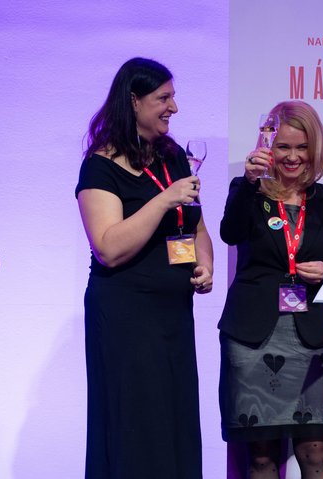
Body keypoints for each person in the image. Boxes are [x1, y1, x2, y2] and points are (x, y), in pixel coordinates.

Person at [75, 57, 213, 478]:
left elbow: (197, 228)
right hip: (126, 318)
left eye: (173, 97)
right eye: (163, 98)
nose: (174, 107)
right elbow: (108, 248)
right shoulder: (100, 165)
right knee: (138, 424)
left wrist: (205, 264)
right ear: (134, 101)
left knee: (174, 421)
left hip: (172, 316)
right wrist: (164, 199)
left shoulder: (172, 156)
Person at [218, 100, 323, 479]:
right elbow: (230, 233)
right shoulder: (248, 191)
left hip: (308, 341)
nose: (293, 157)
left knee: (315, 453)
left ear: (315, 148)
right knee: (261, 458)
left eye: (302, 147)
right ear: (268, 147)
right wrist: (248, 183)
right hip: (252, 339)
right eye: (283, 147)